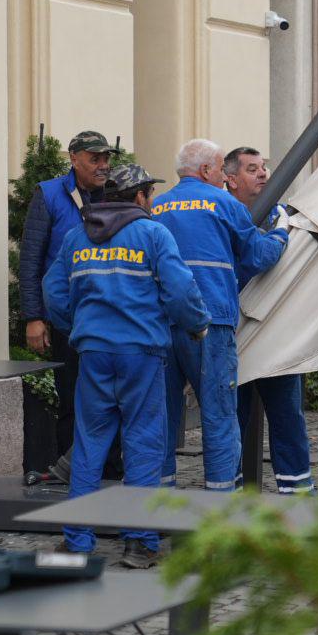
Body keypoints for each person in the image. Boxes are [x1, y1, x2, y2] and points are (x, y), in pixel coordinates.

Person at [41, 164, 210, 567]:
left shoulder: (77, 236)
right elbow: (180, 290)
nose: (152, 201)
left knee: (89, 443)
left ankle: (78, 541)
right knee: (143, 444)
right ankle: (139, 542)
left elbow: (53, 291)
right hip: (141, 353)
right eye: (150, 194)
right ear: (138, 197)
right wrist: (197, 325)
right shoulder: (153, 233)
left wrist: (78, 327)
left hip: (94, 353)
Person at [152, 139, 290, 490]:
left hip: (161, 322)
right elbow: (258, 256)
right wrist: (281, 234)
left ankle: (156, 504)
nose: (223, 176)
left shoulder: (156, 205)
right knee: (218, 415)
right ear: (205, 170)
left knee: (162, 416)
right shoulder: (224, 203)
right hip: (211, 321)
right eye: (218, 168)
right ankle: (220, 500)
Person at [18, 131, 114, 479]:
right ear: (73, 158)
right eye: (94, 158)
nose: (103, 166)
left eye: (106, 158)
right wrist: (34, 317)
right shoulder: (49, 194)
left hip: (109, 315)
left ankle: (110, 471)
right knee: (72, 395)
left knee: (110, 396)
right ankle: (71, 473)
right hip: (67, 318)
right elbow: (31, 259)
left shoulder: (114, 193)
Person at [224, 146, 313, 494]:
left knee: (287, 415)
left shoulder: (283, 216)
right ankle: (228, 491)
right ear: (231, 179)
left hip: (276, 331)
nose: (263, 173)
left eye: (263, 167)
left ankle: (297, 491)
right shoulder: (221, 214)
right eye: (252, 169)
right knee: (233, 417)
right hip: (234, 333)